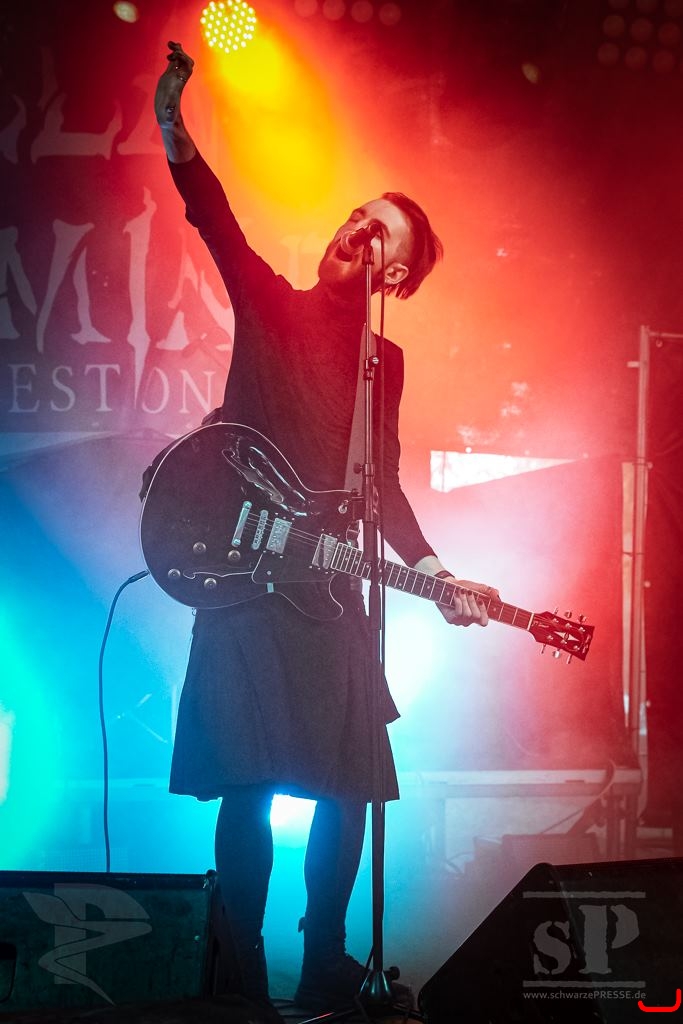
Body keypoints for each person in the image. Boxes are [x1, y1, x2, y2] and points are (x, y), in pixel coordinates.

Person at [152, 41, 499, 1021]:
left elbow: (382, 482)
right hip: (243, 579)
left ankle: (324, 964)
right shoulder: (271, 306)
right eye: (354, 214)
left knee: (351, 779)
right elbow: (214, 218)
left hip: (329, 586)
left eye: (375, 230)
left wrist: (434, 571)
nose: (353, 229)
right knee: (248, 785)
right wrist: (174, 121)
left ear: (399, 271)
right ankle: (240, 977)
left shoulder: (383, 363)